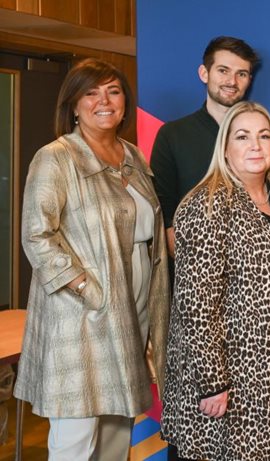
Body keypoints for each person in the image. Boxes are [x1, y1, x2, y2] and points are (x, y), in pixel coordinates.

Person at [161, 101, 270, 460]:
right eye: (243, 137)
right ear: (225, 147)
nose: (255, 146)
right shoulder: (206, 205)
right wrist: (214, 383)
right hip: (238, 378)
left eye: (263, 136)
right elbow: (196, 303)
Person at [15, 58, 170, 460]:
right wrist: (86, 287)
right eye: (92, 92)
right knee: (77, 430)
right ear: (73, 104)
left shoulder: (133, 156)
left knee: (118, 424)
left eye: (113, 91)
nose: (104, 101)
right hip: (81, 312)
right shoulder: (57, 156)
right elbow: (36, 234)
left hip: (133, 303)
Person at [150, 35, 259, 257]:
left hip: (254, 264)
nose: (232, 81)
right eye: (223, 70)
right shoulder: (173, 134)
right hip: (195, 263)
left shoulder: (261, 136)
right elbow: (165, 211)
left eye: (242, 74)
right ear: (204, 73)